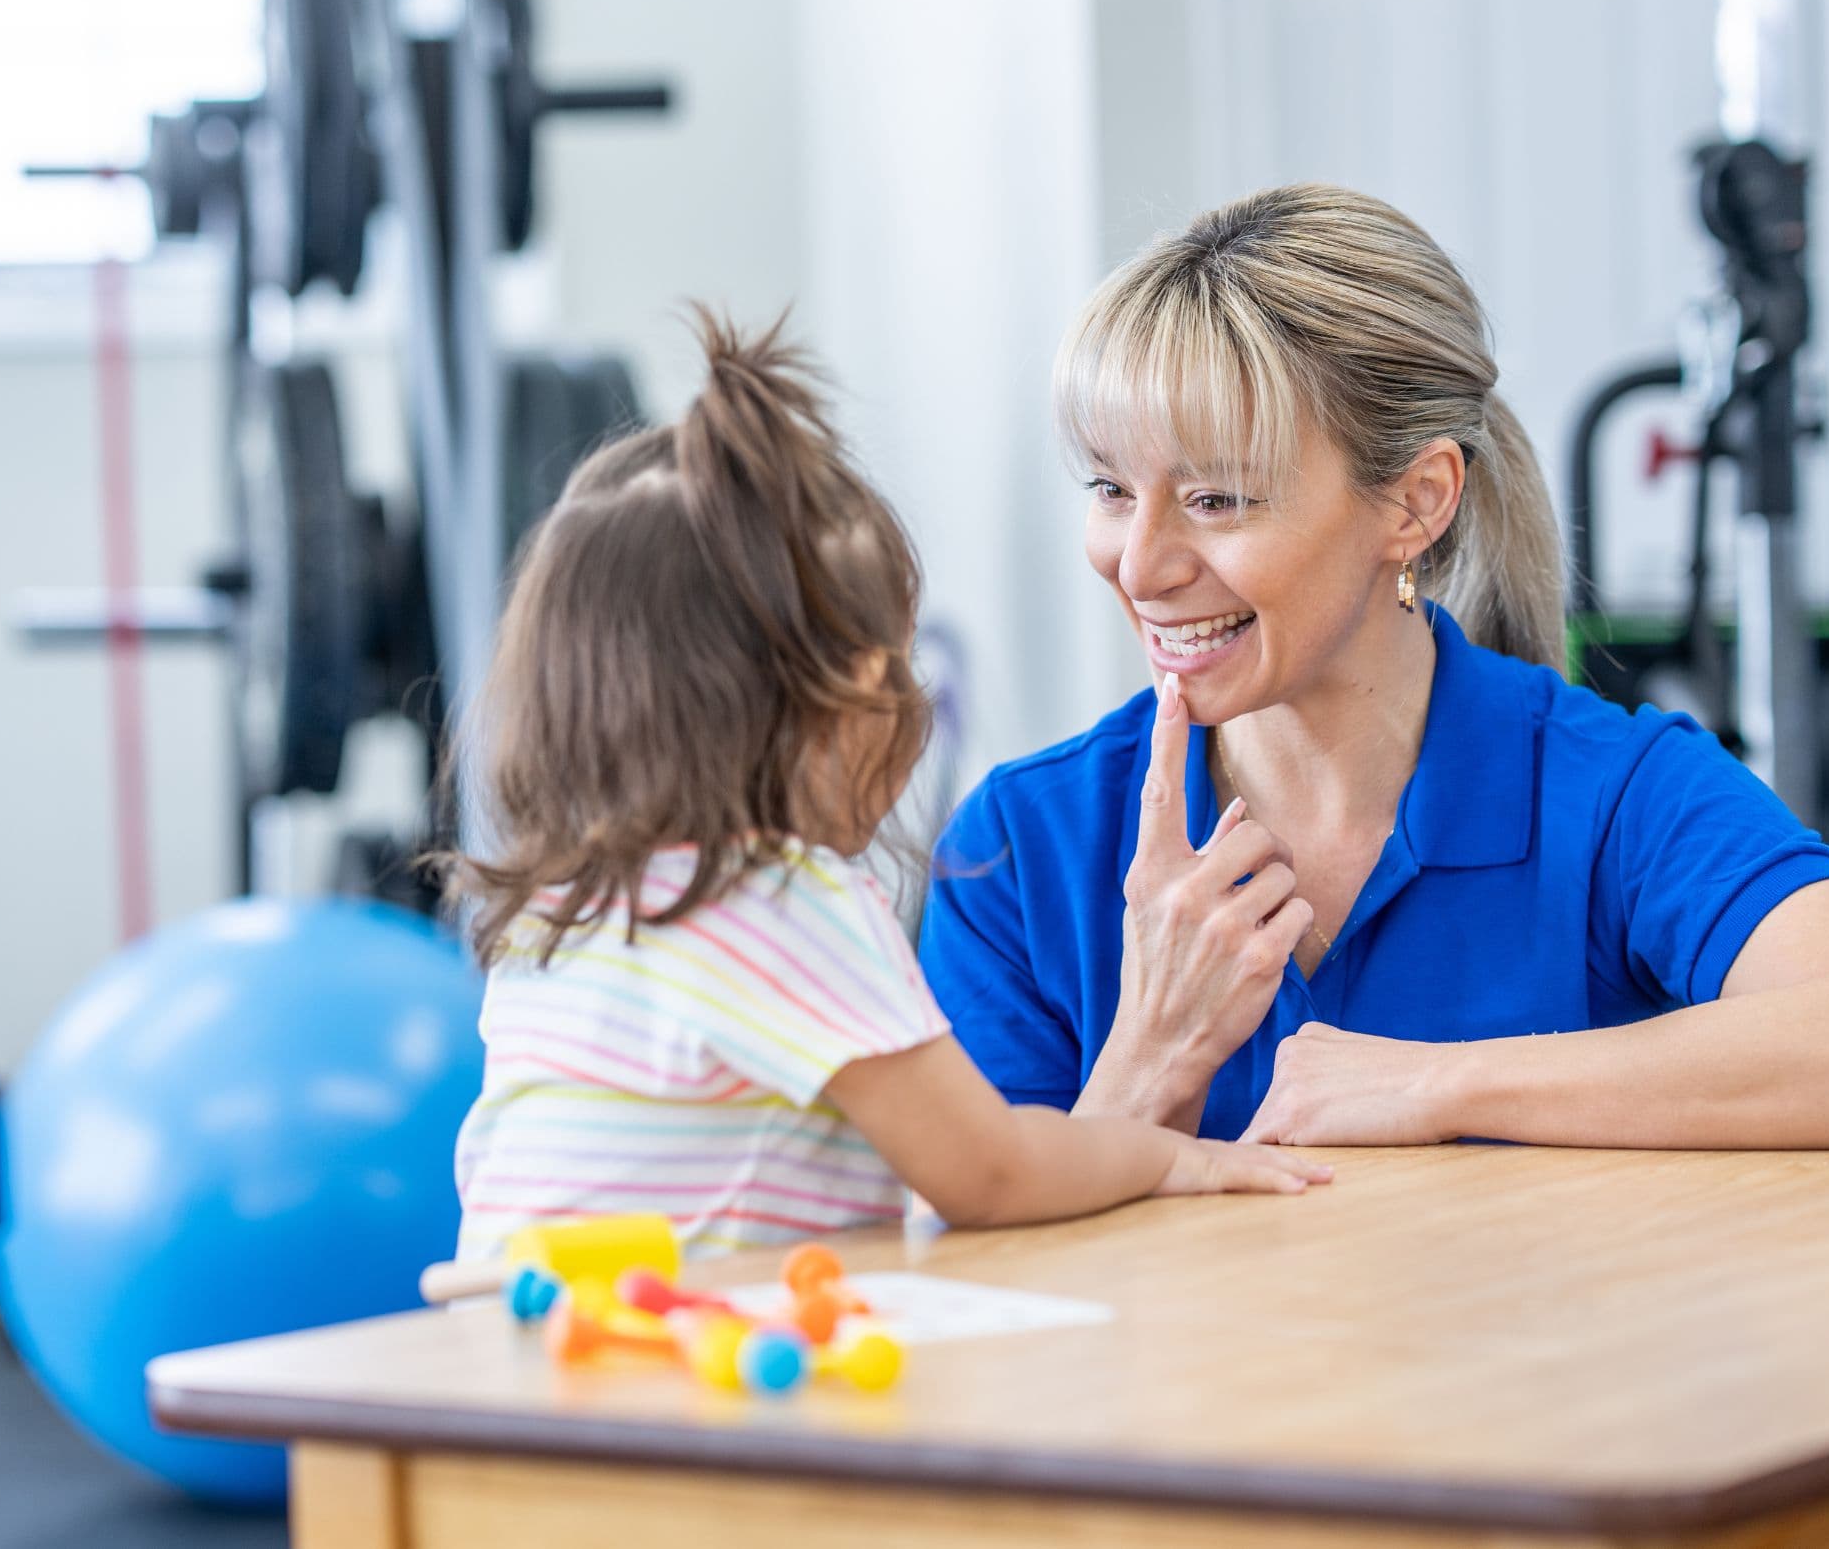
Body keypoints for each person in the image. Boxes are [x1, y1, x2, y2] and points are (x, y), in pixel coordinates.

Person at [921, 184, 1829, 1149]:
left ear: (1416, 502)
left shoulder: (1606, 794)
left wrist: (1436, 1086)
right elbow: (974, 1285)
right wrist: (1150, 1060)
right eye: (1111, 491)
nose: (1139, 564)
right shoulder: (1021, 846)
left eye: (1216, 499)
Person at [445, 310, 1328, 1262]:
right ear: (863, 697)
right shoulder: (784, 904)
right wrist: (1165, 1158)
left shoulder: (559, 909)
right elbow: (987, 1174)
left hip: (513, 1331)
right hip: (686, 1345)